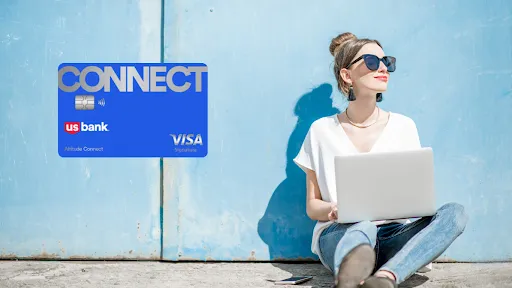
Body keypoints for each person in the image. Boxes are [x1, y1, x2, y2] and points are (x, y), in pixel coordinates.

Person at [293, 32, 469, 288]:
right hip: (343, 233)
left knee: (455, 213)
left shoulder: (404, 126)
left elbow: (413, 194)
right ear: (347, 75)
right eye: (372, 62)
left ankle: (386, 278)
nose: (383, 67)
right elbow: (312, 206)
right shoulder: (321, 131)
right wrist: (333, 209)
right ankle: (352, 271)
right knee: (362, 226)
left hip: (392, 235)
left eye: (386, 61)